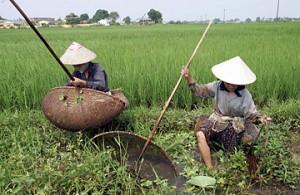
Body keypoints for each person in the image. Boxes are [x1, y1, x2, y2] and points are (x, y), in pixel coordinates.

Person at [181, 56, 271, 169]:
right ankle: (209, 167)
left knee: (232, 149)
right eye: (228, 83)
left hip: (234, 124)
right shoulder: (217, 86)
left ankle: (229, 162)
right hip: (217, 120)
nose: (230, 86)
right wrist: (188, 78)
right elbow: (199, 91)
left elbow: (251, 115)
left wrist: (260, 119)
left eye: (234, 83)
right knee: (200, 134)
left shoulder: (245, 95)